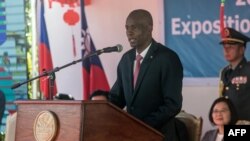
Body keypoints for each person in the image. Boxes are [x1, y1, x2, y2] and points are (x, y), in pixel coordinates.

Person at [92, 9, 183, 141]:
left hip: (159, 135)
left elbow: (172, 104)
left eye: (134, 27)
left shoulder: (167, 58)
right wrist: (97, 113)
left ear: (149, 28)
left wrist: (142, 125)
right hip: (132, 135)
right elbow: (117, 98)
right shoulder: (126, 59)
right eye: (127, 28)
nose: (129, 32)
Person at [219, 27, 250, 120]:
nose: (226, 50)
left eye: (231, 47)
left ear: (242, 49)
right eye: (225, 47)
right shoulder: (224, 71)